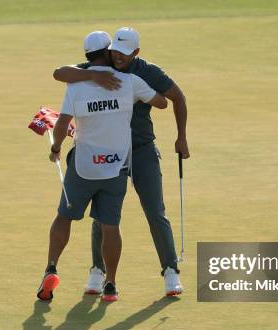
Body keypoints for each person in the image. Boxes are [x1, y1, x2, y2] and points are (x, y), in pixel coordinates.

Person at [53, 27, 190, 297]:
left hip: (140, 149)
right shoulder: (101, 65)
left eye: (124, 54)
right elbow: (60, 73)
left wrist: (181, 137)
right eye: (114, 51)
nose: (117, 57)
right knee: (103, 215)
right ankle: (98, 270)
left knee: (154, 210)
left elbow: (175, 98)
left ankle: (170, 270)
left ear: (136, 53)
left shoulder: (146, 71)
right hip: (108, 150)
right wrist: (93, 75)